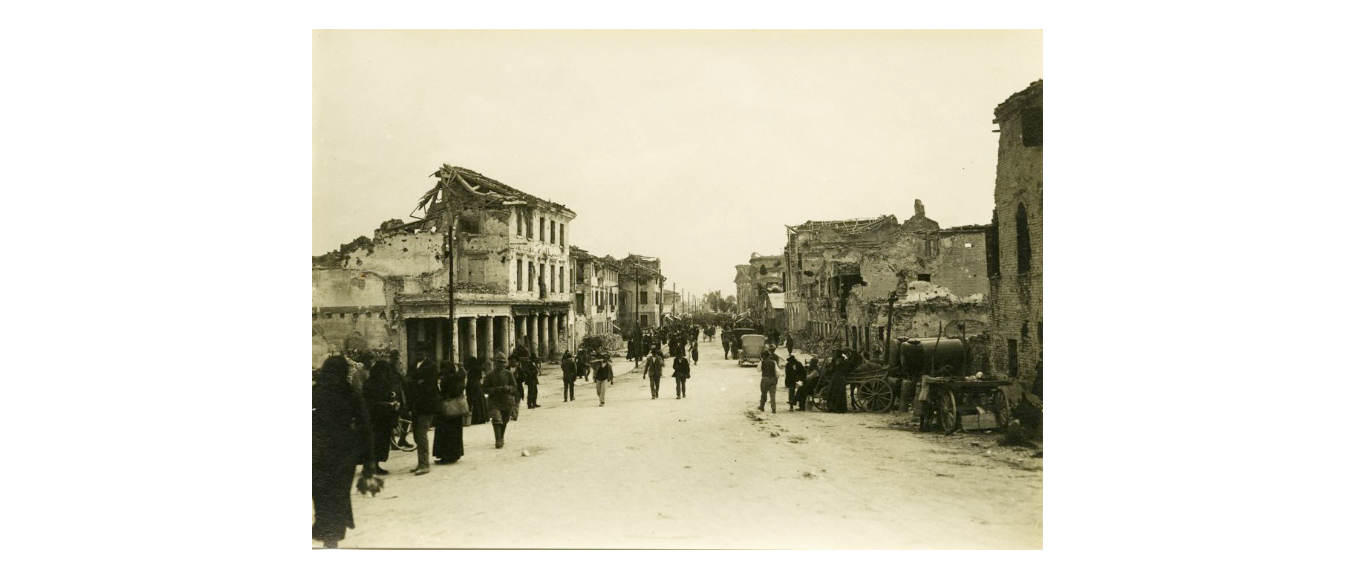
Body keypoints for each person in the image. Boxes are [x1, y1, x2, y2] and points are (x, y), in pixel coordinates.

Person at [312, 356, 376, 548]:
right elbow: (365, 425)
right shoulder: (349, 393)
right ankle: (332, 537)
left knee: (322, 496)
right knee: (338, 495)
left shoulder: (315, 392)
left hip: (318, 454)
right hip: (343, 455)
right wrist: (369, 461)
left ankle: (327, 531)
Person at [360, 359, 402, 475]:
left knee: (380, 441)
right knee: (376, 442)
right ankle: (371, 466)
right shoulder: (371, 384)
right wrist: (389, 404)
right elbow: (370, 402)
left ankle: (372, 465)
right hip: (375, 417)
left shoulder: (381, 382)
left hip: (383, 417)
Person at [406, 347, 440, 475]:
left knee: (421, 434)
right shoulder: (412, 366)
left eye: (421, 351)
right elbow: (407, 381)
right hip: (415, 405)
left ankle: (425, 464)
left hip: (427, 405)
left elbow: (429, 385)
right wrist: (417, 382)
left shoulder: (431, 366)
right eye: (417, 351)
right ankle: (421, 462)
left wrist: (414, 382)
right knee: (416, 435)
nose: (418, 353)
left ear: (426, 352)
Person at [433, 360, 466, 465]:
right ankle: (453, 454)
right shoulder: (453, 377)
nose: (442, 370)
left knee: (447, 432)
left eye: (444, 368)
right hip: (453, 409)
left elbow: (453, 391)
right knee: (453, 432)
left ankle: (447, 456)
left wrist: (443, 396)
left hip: (448, 407)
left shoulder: (450, 378)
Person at [482, 353, 516, 449]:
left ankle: (501, 437)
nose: (501, 364)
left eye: (503, 362)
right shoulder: (489, 375)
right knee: (496, 419)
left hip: (506, 401)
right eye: (499, 362)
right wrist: (495, 390)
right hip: (494, 401)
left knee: (504, 420)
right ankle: (498, 439)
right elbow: (484, 388)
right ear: (495, 363)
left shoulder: (509, 374)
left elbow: (514, 386)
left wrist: (508, 388)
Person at [465, 356, 488, 425]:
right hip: (477, 386)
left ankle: (478, 418)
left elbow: (473, 378)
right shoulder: (477, 368)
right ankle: (481, 418)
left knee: (475, 403)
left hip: (474, 386)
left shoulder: (473, 369)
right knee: (479, 403)